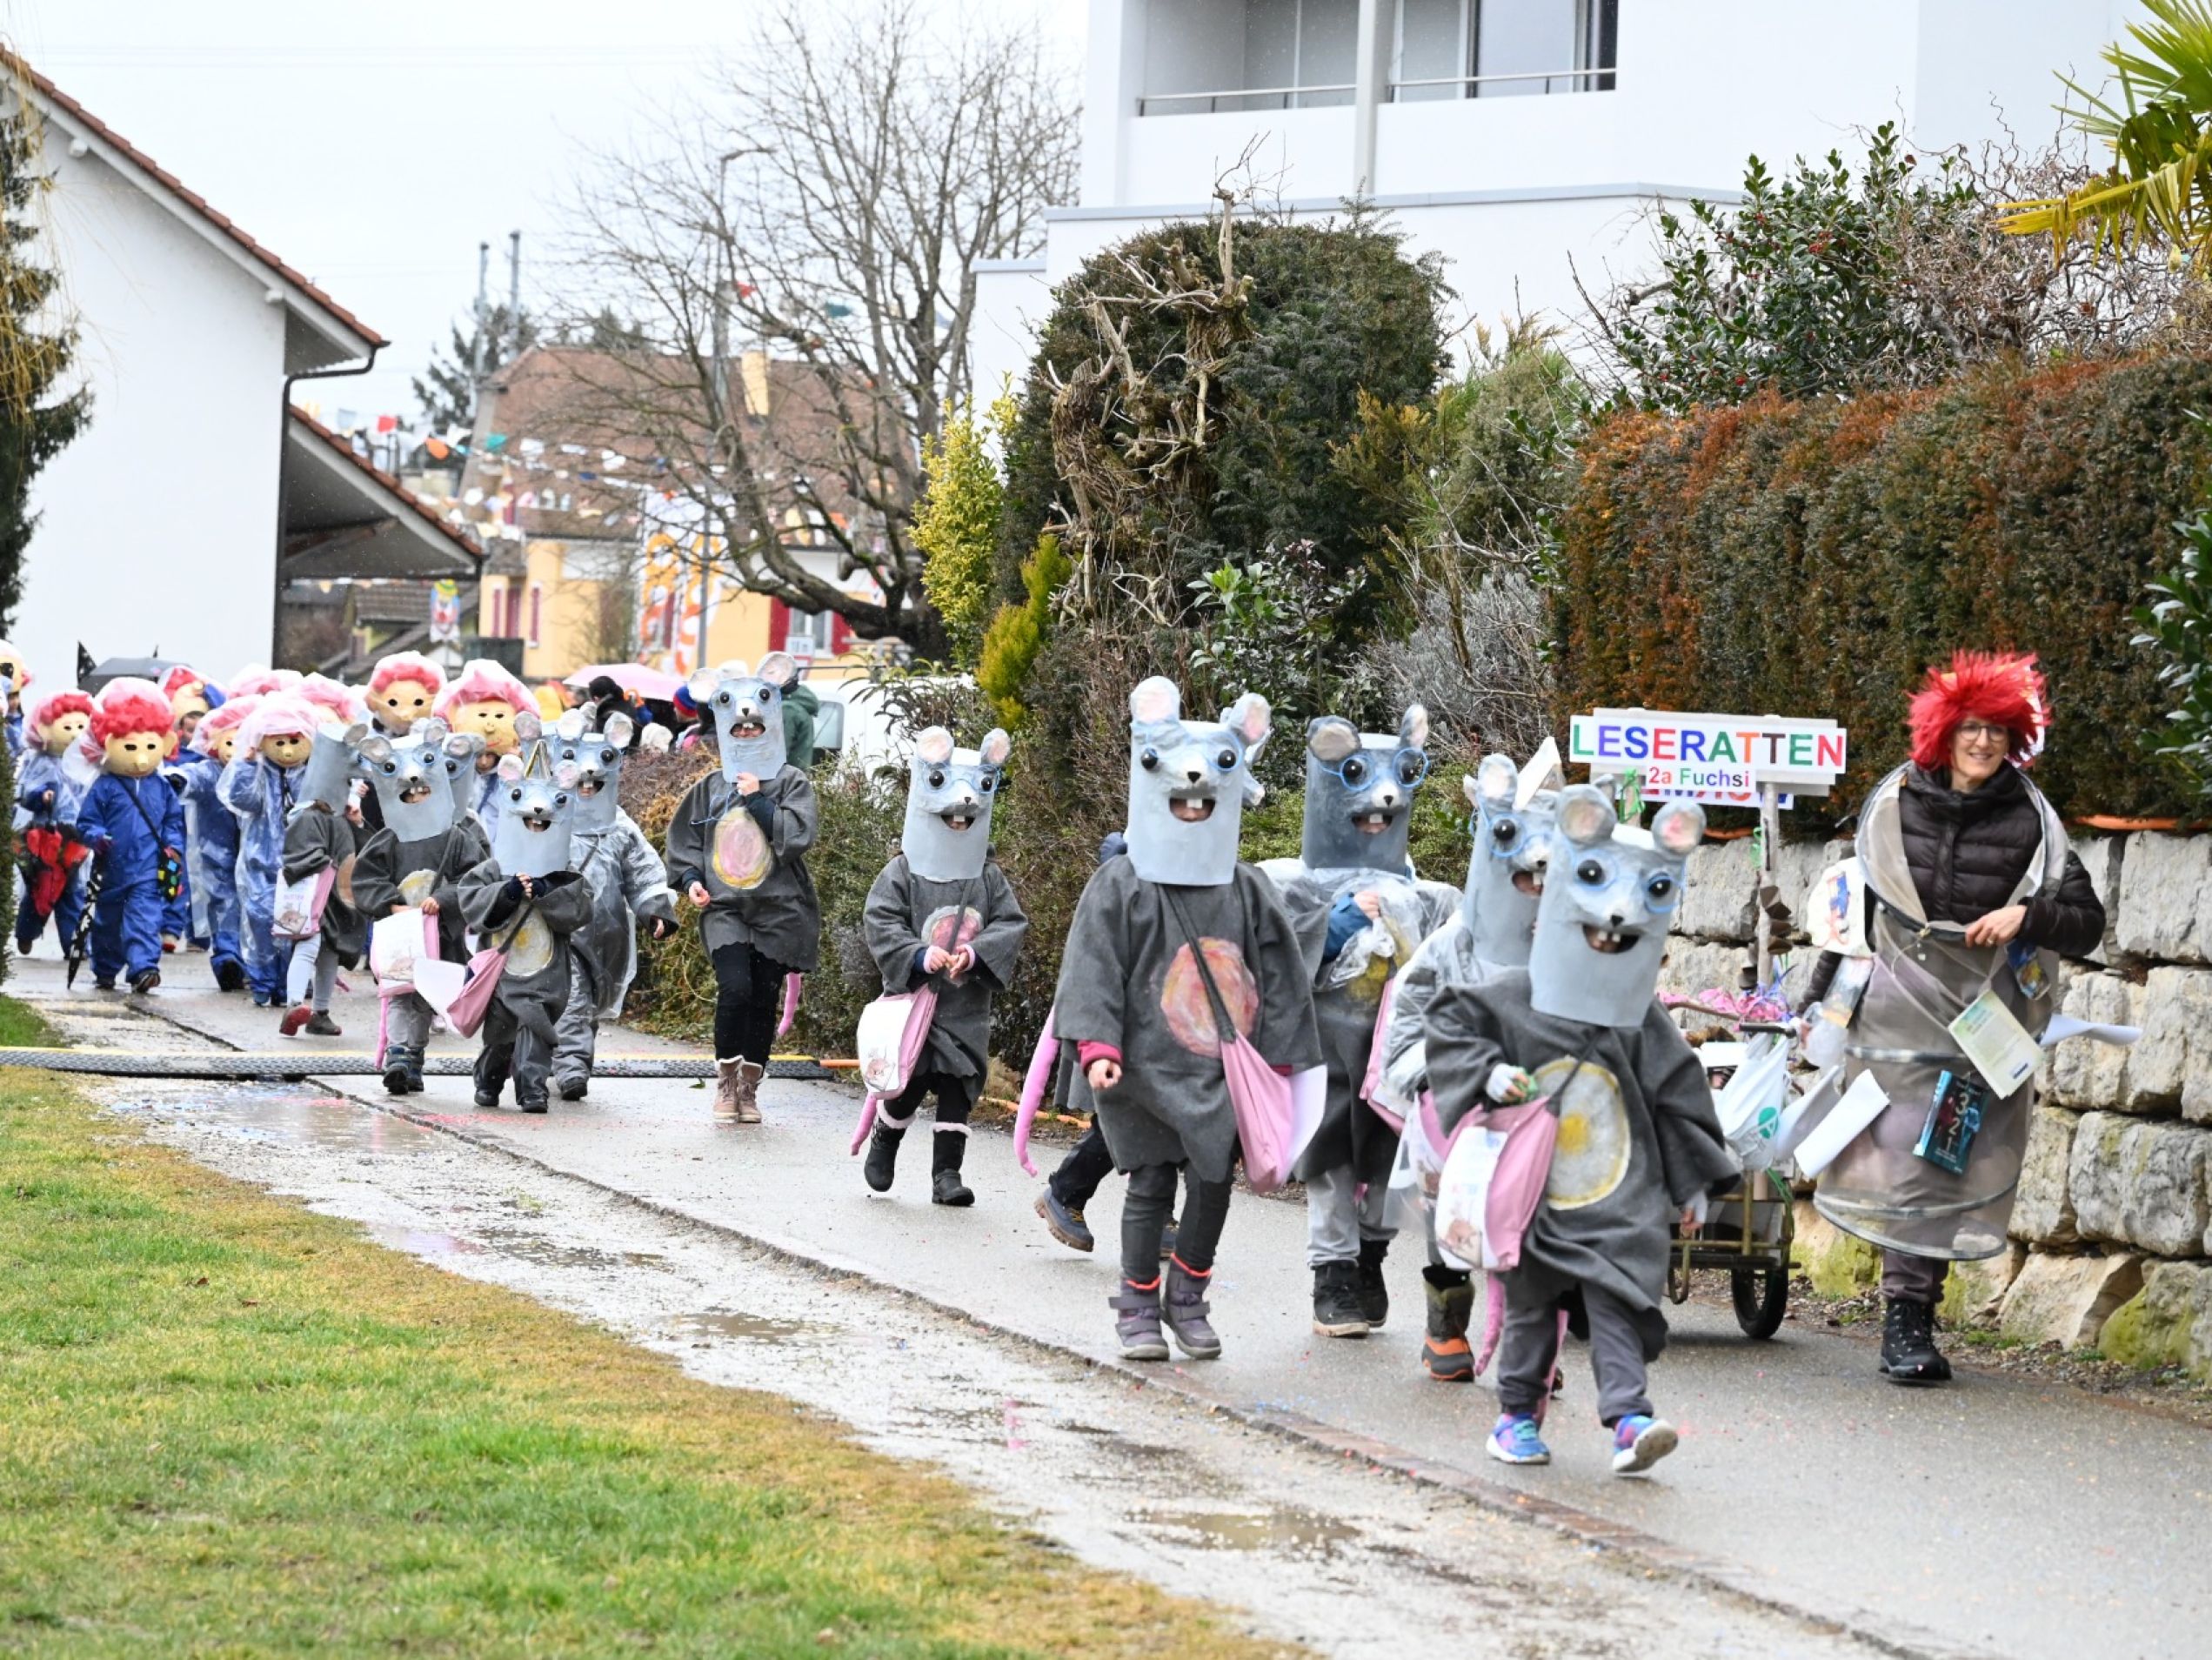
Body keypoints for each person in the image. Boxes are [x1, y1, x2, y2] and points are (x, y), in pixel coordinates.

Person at [1807, 652, 2105, 1386]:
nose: (1982, 742)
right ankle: (1905, 1317)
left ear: (2014, 740)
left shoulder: (2035, 825)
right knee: (1904, 1157)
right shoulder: (1892, 808)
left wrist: (2026, 915)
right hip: (1892, 1020)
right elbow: (1854, 919)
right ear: (1941, 732)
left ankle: (1910, 1315)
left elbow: (2086, 923)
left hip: (1980, 1027)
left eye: (1997, 730)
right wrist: (1816, 1006)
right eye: (1970, 727)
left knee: (1940, 1161)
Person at [1426, 787, 1736, 1476]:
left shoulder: (1638, 1015)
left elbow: (1675, 1093)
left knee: (1619, 1295)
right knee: (1533, 1307)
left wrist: (1690, 1183)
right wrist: (1486, 1073)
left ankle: (1628, 1420)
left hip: (1619, 1192)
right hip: (1535, 1192)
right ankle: (1515, 1418)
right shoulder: (1516, 993)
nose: (1610, 928)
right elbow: (1448, 1024)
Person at [1054, 677, 1321, 1362]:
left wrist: (1280, 1060)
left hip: (1219, 1070)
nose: (1195, 795)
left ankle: (1187, 1298)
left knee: (1211, 1185)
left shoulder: (1247, 888)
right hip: (1141, 1067)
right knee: (1149, 1184)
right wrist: (1097, 1046)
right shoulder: (1120, 886)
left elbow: (1281, 979)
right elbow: (1093, 967)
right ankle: (1137, 1307)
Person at [1262, 706, 1457, 1341]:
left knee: (1387, 1165)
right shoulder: (1291, 884)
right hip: (1326, 1052)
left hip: (1394, 1053)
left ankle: (1369, 1257)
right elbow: (1274, 962)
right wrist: (1335, 923)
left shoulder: (1425, 891)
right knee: (1332, 1167)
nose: (1381, 805)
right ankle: (1333, 1277)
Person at [1379, 752, 1559, 1381]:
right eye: (1524, 877)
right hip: (1458, 1104)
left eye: (1546, 878)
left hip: (1540, 1107)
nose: (1534, 889)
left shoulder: (1571, 944)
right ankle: (1446, 1325)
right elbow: (1408, 1019)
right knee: (1452, 1215)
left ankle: (1529, 1342)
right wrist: (1436, 1075)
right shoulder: (1451, 943)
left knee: (1537, 1220)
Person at [859, 725, 1027, 1205]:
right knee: (909, 1081)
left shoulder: (988, 877)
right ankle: (886, 1138)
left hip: (965, 1006)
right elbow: (880, 917)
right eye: (950, 812)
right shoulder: (902, 871)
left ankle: (946, 1175)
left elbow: (1011, 922)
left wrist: (975, 954)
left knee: (959, 1084)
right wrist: (917, 954)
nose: (960, 816)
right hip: (915, 1002)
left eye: (968, 812)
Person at [664, 654, 819, 1125]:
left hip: (778, 909)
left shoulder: (792, 782)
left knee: (763, 998)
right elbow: (687, 841)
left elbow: (798, 836)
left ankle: (750, 1089)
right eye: (739, 727)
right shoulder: (711, 786)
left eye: (755, 726)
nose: (748, 732)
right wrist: (691, 881)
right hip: (726, 908)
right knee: (735, 988)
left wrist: (757, 800)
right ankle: (726, 1082)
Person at [545, 707, 678, 1101]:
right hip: (554, 927)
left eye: (594, 781)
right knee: (571, 995)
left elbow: (643, 870)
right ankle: (571, 1066)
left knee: (587, 1001)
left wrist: (656, 909)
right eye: (579, 779)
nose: (586, 786)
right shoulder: (545, 816)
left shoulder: (618, 826)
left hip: (605, 932)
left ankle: (563, 1057)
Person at [352, 721, 490, 1095]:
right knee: (400, 992)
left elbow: (476, 878)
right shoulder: (389, 839)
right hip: (400, 932)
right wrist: (391, 903)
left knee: (427, 997)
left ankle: (413, 1056)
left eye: (422, 791)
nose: (415, 798)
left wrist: (443, 899)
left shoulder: (457, 838)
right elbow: (366, 878)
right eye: (408, 794)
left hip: (440, 933)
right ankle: (398, 1055)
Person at [460, 744, 594, 1114]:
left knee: (537, 1030)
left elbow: (582, 909)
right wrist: (506, 893)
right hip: (503, 971)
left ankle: (532, 1089)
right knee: (500, 1034)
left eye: (543, 822)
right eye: (530, 821)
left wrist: (548, 891)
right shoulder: (496, 865)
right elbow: (471, 901)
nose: (536, 824)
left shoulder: (564, 868)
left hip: (545, 971)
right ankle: (489, 1080)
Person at [73, 679, 187, 994]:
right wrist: (97, 836)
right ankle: (106, 967)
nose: (141, 758)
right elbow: (86, 822)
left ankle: (143, 967)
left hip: (148, 868)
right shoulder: (105, 786)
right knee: (107, 923)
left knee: (145, 916)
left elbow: (173, 821)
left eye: (150, 747)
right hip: (111, 868)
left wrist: (174, 846)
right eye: (130, 747)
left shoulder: (161, 787)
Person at [218, 695, 319, 1007]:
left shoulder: (311, 772)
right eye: (279, 741)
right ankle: (263, 981)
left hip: (302, 864)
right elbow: (242, 801)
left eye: (294, 741)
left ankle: (290, 985)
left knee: (295, 925)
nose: (287, 750)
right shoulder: (259, 771)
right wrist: (246, 765)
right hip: (259, 862)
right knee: (260, 922)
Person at [277, 723, 367, 1039]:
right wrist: (326, 862)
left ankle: (321, 1012)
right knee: (310, 945)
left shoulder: (340, 818)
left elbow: (357, 853)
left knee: (330, 953)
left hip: (336, 899)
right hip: (315, 897)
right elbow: (300, 854)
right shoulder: (307, 816)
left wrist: (357, 824)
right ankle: (293, 1003)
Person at [13, 689, 95, 958]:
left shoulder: (87, 763)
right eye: (67, 727)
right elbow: (24, 791)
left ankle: (74, 946)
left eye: (81, 727)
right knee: (42, 889)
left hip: (77, 837)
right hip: (48, 836)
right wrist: (41, 797)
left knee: (72, 891)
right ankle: (26, 932)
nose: (74, 734)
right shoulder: (40, 762)